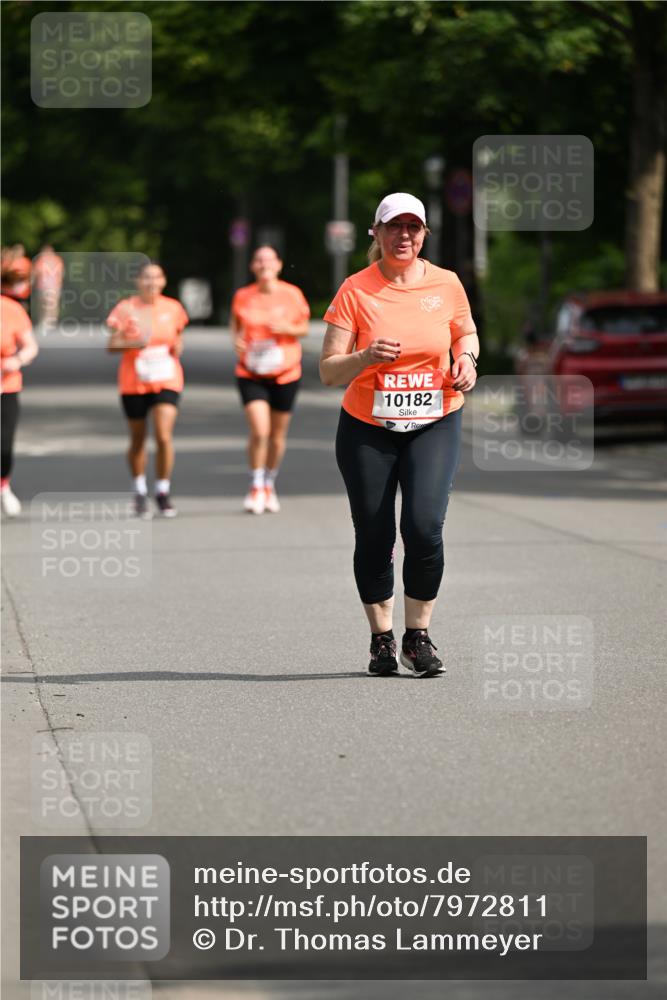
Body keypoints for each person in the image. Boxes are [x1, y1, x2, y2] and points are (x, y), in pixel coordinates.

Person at [320, 193, 479, 677]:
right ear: (378, 232)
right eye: (394, 226)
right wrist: (365, 356)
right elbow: (328, 370)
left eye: (413, 227)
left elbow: (466, 333)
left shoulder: (446, 283)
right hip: (367, 428)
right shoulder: (356, 289)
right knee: (375, 535)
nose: (404, 235)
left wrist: (467, 359)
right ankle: (382, 640)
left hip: (435, 420)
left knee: (424, 527)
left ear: (424, 234)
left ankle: (418, 638)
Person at [106, 261, 189, 518]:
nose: (151, 282)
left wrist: (178, 346)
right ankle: (139, 491)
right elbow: (111, 345)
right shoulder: (126, 308)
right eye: (146, 278)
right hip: (134, 381)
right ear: (138, 282)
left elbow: (178, 336)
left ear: (163, 281)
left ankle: (162, 491)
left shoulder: (173, 307)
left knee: (163, 435)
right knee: (138, 438)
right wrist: (133, 343)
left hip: (166, 378)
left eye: (156, 277)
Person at [231, 245, 310, 514]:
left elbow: (304, 327)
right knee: (260, 431)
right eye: (259, 260)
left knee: (277, 436)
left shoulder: (292, 294)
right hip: (251, 372)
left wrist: (288, 328)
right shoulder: (243, 296)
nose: (264, 264)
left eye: (269, 259)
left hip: (285, 373)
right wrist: (237, 342)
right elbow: (236, 327)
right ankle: (255, 484)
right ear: (252, 266)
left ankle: (269, 482)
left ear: (278, 264)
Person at [1, 294, 39, 516]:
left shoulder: (11, 309)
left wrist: (17, 360)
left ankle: (3, 485)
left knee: (4, 444)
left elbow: (30, 346)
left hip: (6, 386)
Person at [33, 245, 64, 330]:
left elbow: (61, 273)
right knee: (42, 304)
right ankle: (43, 320)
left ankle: (51, 321)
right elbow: (36, 272)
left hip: (54, 286)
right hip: (42, 286)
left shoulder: (56, 260)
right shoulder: (41, 260)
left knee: (52, 304)